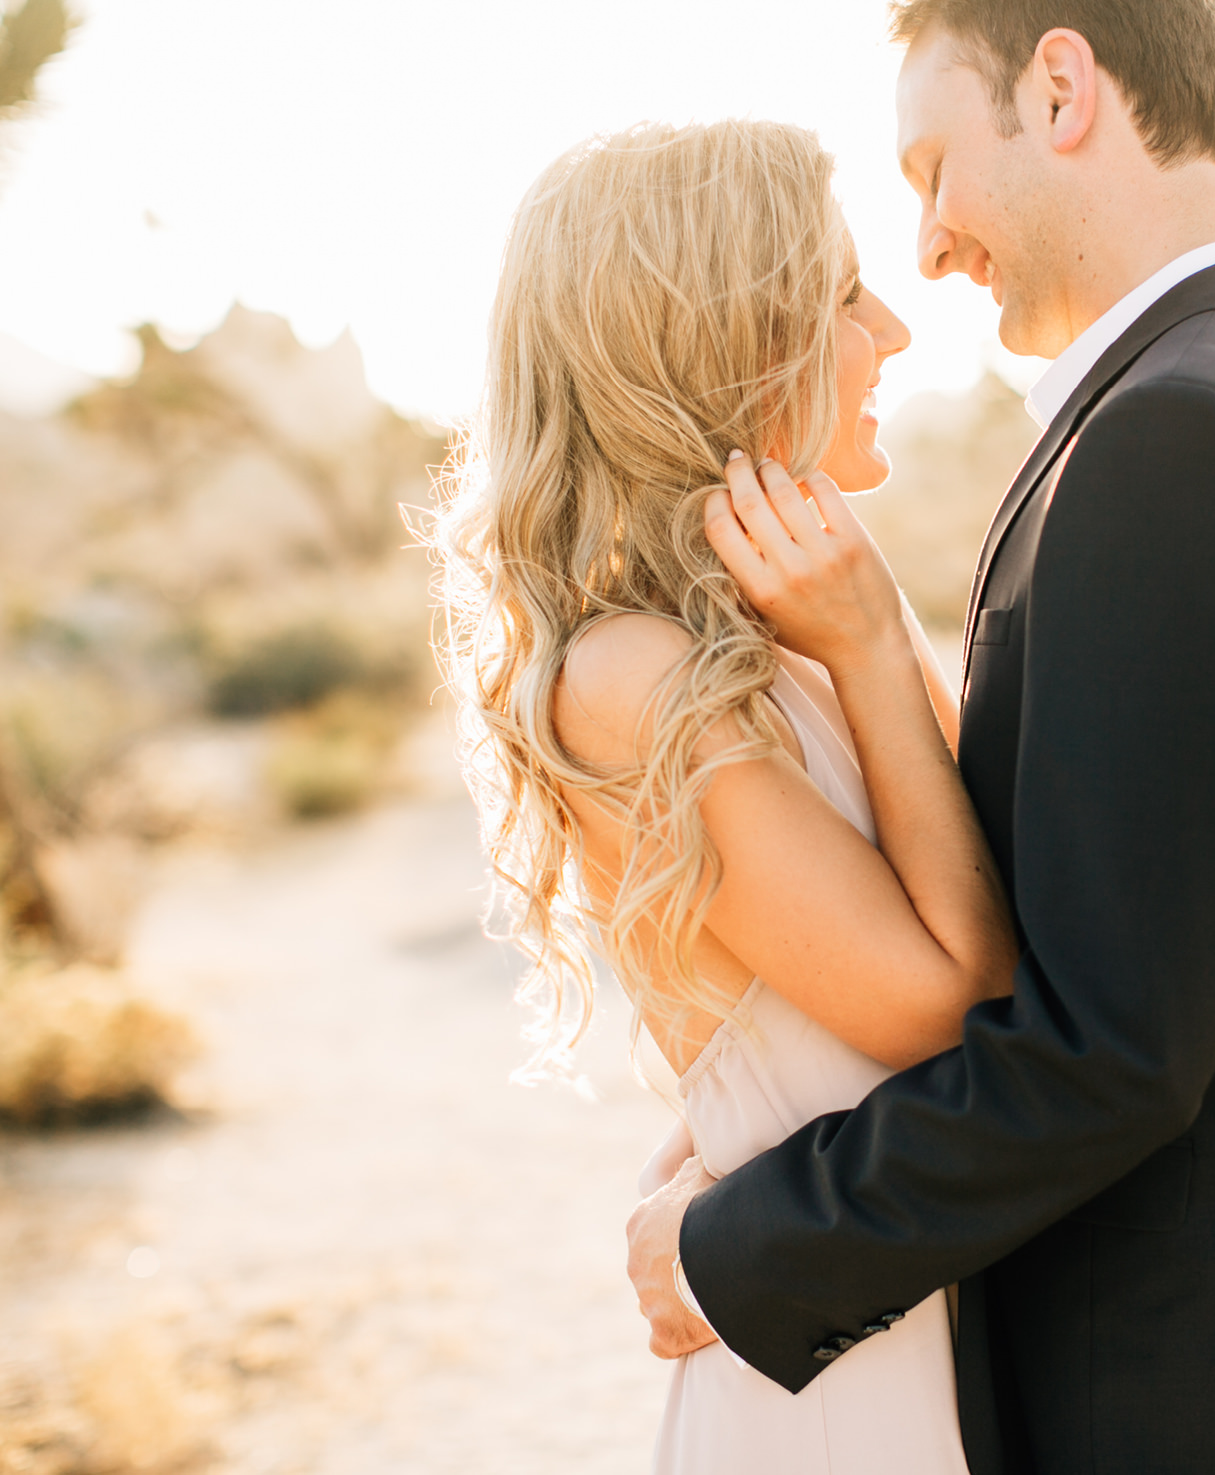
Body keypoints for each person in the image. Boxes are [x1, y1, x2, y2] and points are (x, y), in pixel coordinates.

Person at [624, 1, 1215, 1471]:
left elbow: (1112, 1050)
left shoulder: (1174, 441)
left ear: (1061, 89)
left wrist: (732, 1248)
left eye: (933, 168)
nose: (928, 244)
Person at [435, 121, 1015, 1473]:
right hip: (844, 1391)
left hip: (915, 1318)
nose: (894, 332)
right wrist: (873, 641)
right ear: (726, 346)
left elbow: (1012, 856)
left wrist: (867, 631)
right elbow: (955, 998)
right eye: (840, 298)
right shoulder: (631, 673)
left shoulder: (769, 638)